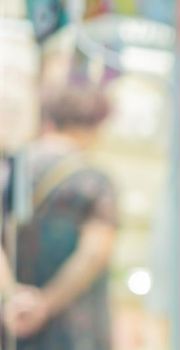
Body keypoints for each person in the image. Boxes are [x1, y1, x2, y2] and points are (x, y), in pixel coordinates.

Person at [1, 83, 118, 350]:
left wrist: (11, 297)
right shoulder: (94, 180)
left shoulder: (9, 169)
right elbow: (94, 254)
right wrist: (45, 303)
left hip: (11, 323)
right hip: (74, 328)